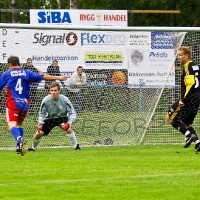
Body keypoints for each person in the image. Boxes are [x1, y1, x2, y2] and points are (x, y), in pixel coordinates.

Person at [0, 56, 67, 156]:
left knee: (11, 124)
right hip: (25, 104)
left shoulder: (7, 73)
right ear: (19, 63)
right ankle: (20, 146)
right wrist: (58, 77)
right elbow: (43, 76)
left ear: (10, 64)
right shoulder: (27, 72)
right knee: (19, 124)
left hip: (12, 103)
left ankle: (19, 139)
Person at [28, 82, 81, 151]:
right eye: (52, 90)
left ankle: (76, 146)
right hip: (50, 118)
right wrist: (40, 123)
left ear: (59, 91)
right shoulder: (45, 100)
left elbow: (73, 113)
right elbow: (42, 114)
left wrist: (69, 123)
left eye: (55, 90)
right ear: (49, 91)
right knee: (38, 133)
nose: (53, 92)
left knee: (68, 128)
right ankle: (33, 147)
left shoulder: (65, 99)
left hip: (62, 117)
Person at [166, 46, 200, 152]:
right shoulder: (196, 66)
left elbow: (190, 84)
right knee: (185, 123)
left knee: (169, 117)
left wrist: (183, 99)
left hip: (189, 98)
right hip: (197, 99)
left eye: (180, 55)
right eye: (178, 55)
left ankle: (188, 135)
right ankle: (199, 144)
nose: (178, 57)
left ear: (186, 56)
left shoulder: (187, 66)